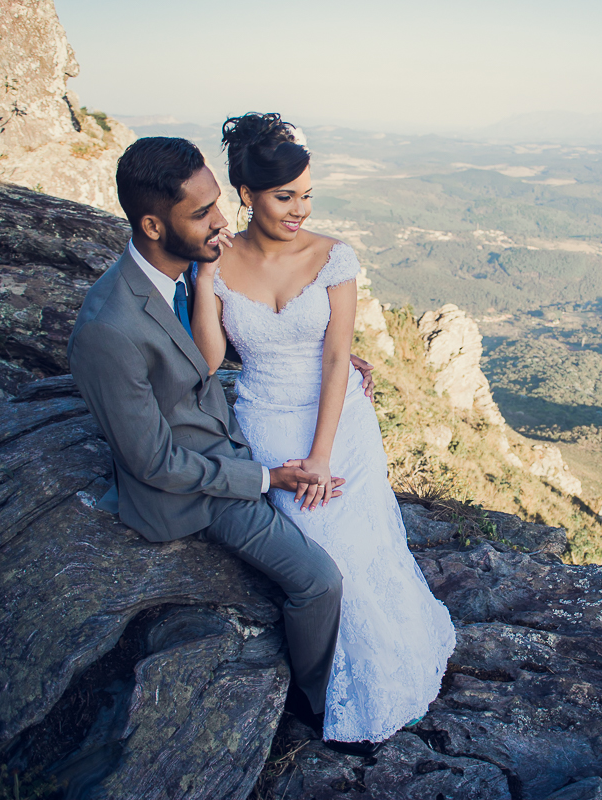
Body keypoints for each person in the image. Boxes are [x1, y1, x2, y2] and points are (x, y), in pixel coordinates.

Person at [67, 137, 375, 746]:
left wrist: (320, 353)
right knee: (320, 579)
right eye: (203, 212)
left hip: (233, 442)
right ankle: (309, 710)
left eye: (217, 204)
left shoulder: (178, 269)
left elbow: (202, 355)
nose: (221, 221)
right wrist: (266, 478)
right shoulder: (107, 329)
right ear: (153, 225)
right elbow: (154, 461)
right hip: (193, 488)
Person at [189, 112, 455, 755]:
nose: (300, 210)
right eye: (286, 197)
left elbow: (338, 358)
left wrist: (321, 455)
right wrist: (205, 280)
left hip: (339, 424)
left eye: (307, 195)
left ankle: (391, 670)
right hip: (266, 419)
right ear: (247, 194)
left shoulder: (334, 256)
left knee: (362, 545)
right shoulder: (219, 263)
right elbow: (207, 362)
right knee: (322, 555)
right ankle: (332, 687)